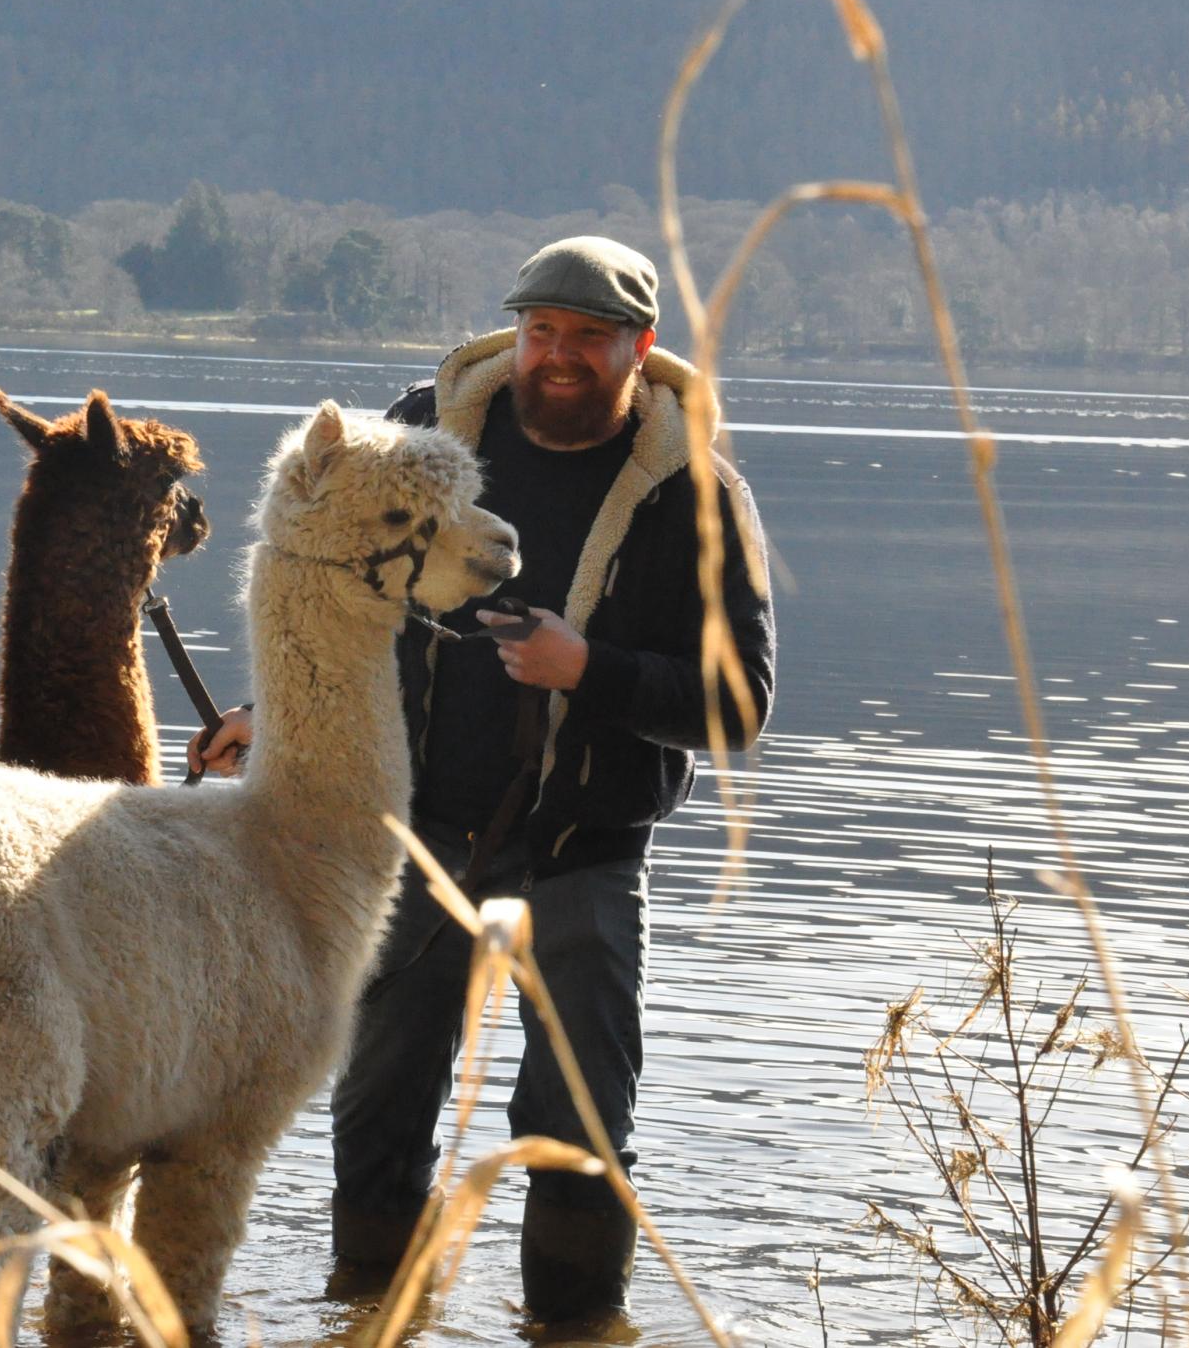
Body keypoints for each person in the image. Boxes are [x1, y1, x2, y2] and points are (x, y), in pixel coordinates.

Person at [186, 236, 775, 1320]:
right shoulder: (422, 429)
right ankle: (363, 1317)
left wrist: (584, 668)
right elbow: (339, 585)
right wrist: (271, 718)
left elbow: (739, 706)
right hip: (415, 839)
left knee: (581, 1133)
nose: (556, 356)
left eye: (587, 339)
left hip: (583, 860)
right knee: (374, 1110)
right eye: (540, 332)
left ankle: (572, 1323)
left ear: (638, 349)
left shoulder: (699, 490)